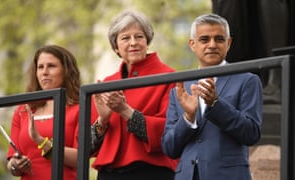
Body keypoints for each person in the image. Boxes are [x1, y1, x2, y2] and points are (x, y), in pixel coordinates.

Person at [161, 14, 263, 180]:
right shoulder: (180, 89)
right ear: (192, 44)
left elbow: (251, 133)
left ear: (228, 43)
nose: (212, 45)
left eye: (219, 39)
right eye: (204, 39)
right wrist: (188, 117)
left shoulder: (247, 80)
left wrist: (215, 104)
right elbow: (169, 148)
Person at [90, 10, 178, 180]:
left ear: (147, 41)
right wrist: (103, 120)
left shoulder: (169, 77)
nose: (133, 43)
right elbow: (87, 147)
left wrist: (126, 112)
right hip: (108, 174)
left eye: (139, 36)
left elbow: (170, 134)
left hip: (151, 172)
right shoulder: (106, 83)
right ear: (116, 47)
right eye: (125, 38)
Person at [6, 45, 81, 180]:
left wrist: (40, 141)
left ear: (66, 71)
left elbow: (80, 158)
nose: (44, 72)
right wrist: (16, 165)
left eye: (51, 66)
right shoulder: (23, 109)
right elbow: (12, 161)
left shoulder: (79, 107)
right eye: (40, 67)